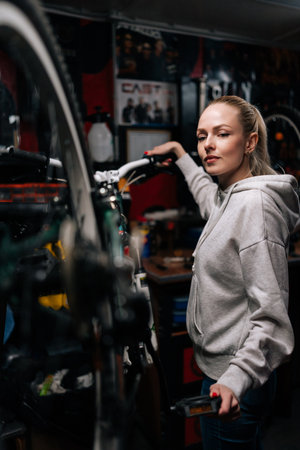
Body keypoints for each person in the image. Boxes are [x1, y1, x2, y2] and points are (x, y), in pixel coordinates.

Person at [145, 95, 300, 449]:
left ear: (250, 142)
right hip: (223, 371)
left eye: (222, 133)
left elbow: (272, 323)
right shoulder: (230, 194)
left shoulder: (255, 207)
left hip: (238, 378)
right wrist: (181, 156)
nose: (208, 145)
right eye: (202, 136)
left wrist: (236, 378)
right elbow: (208, 199)